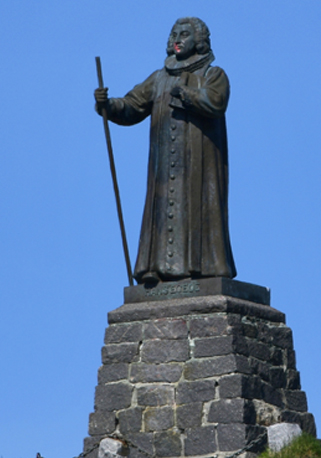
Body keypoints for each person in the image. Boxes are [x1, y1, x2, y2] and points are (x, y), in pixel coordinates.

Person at [95, 17, 236, 285]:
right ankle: (156, 268)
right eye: (174, 34)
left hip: (199, 164)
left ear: (199, 41)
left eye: (184, 34)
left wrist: (186, 95)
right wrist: (108, 105)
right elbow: (132, 105)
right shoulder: (159, 78)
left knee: (199, 208)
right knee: (161, 209)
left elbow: (215, 102)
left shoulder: (212, 74)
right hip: (163, 166)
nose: (177, 38)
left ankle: (203, 269)